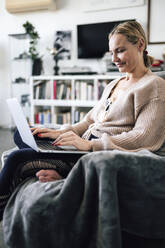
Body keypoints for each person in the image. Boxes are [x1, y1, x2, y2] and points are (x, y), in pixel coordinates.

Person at [1, 20, 165, 221]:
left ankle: (62, 177)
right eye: (111, 52)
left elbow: (143, 138)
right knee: (23, 135)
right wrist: (59, 132)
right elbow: (89, 121)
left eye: (120, 51)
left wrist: (89, 145)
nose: (114, 59)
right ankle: (62, 171)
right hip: (80, 146)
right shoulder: (115, 82)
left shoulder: (154, 86)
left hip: (92, 153)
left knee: (17, 158)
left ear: (140, 45)